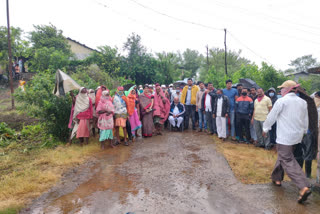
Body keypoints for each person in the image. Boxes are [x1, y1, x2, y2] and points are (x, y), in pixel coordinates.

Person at [262, 80, 311, 203]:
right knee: (283, 155)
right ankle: (277, 178)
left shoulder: (282, 101)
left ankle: (303, 186)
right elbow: (305, 119)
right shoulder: (303, 102)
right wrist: (304, 131)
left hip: (285, 137)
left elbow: (272, 116)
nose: (281, 91)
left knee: (287, 159)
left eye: (282, 89)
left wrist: (265, 128)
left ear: (287, 90)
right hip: (297, 136)